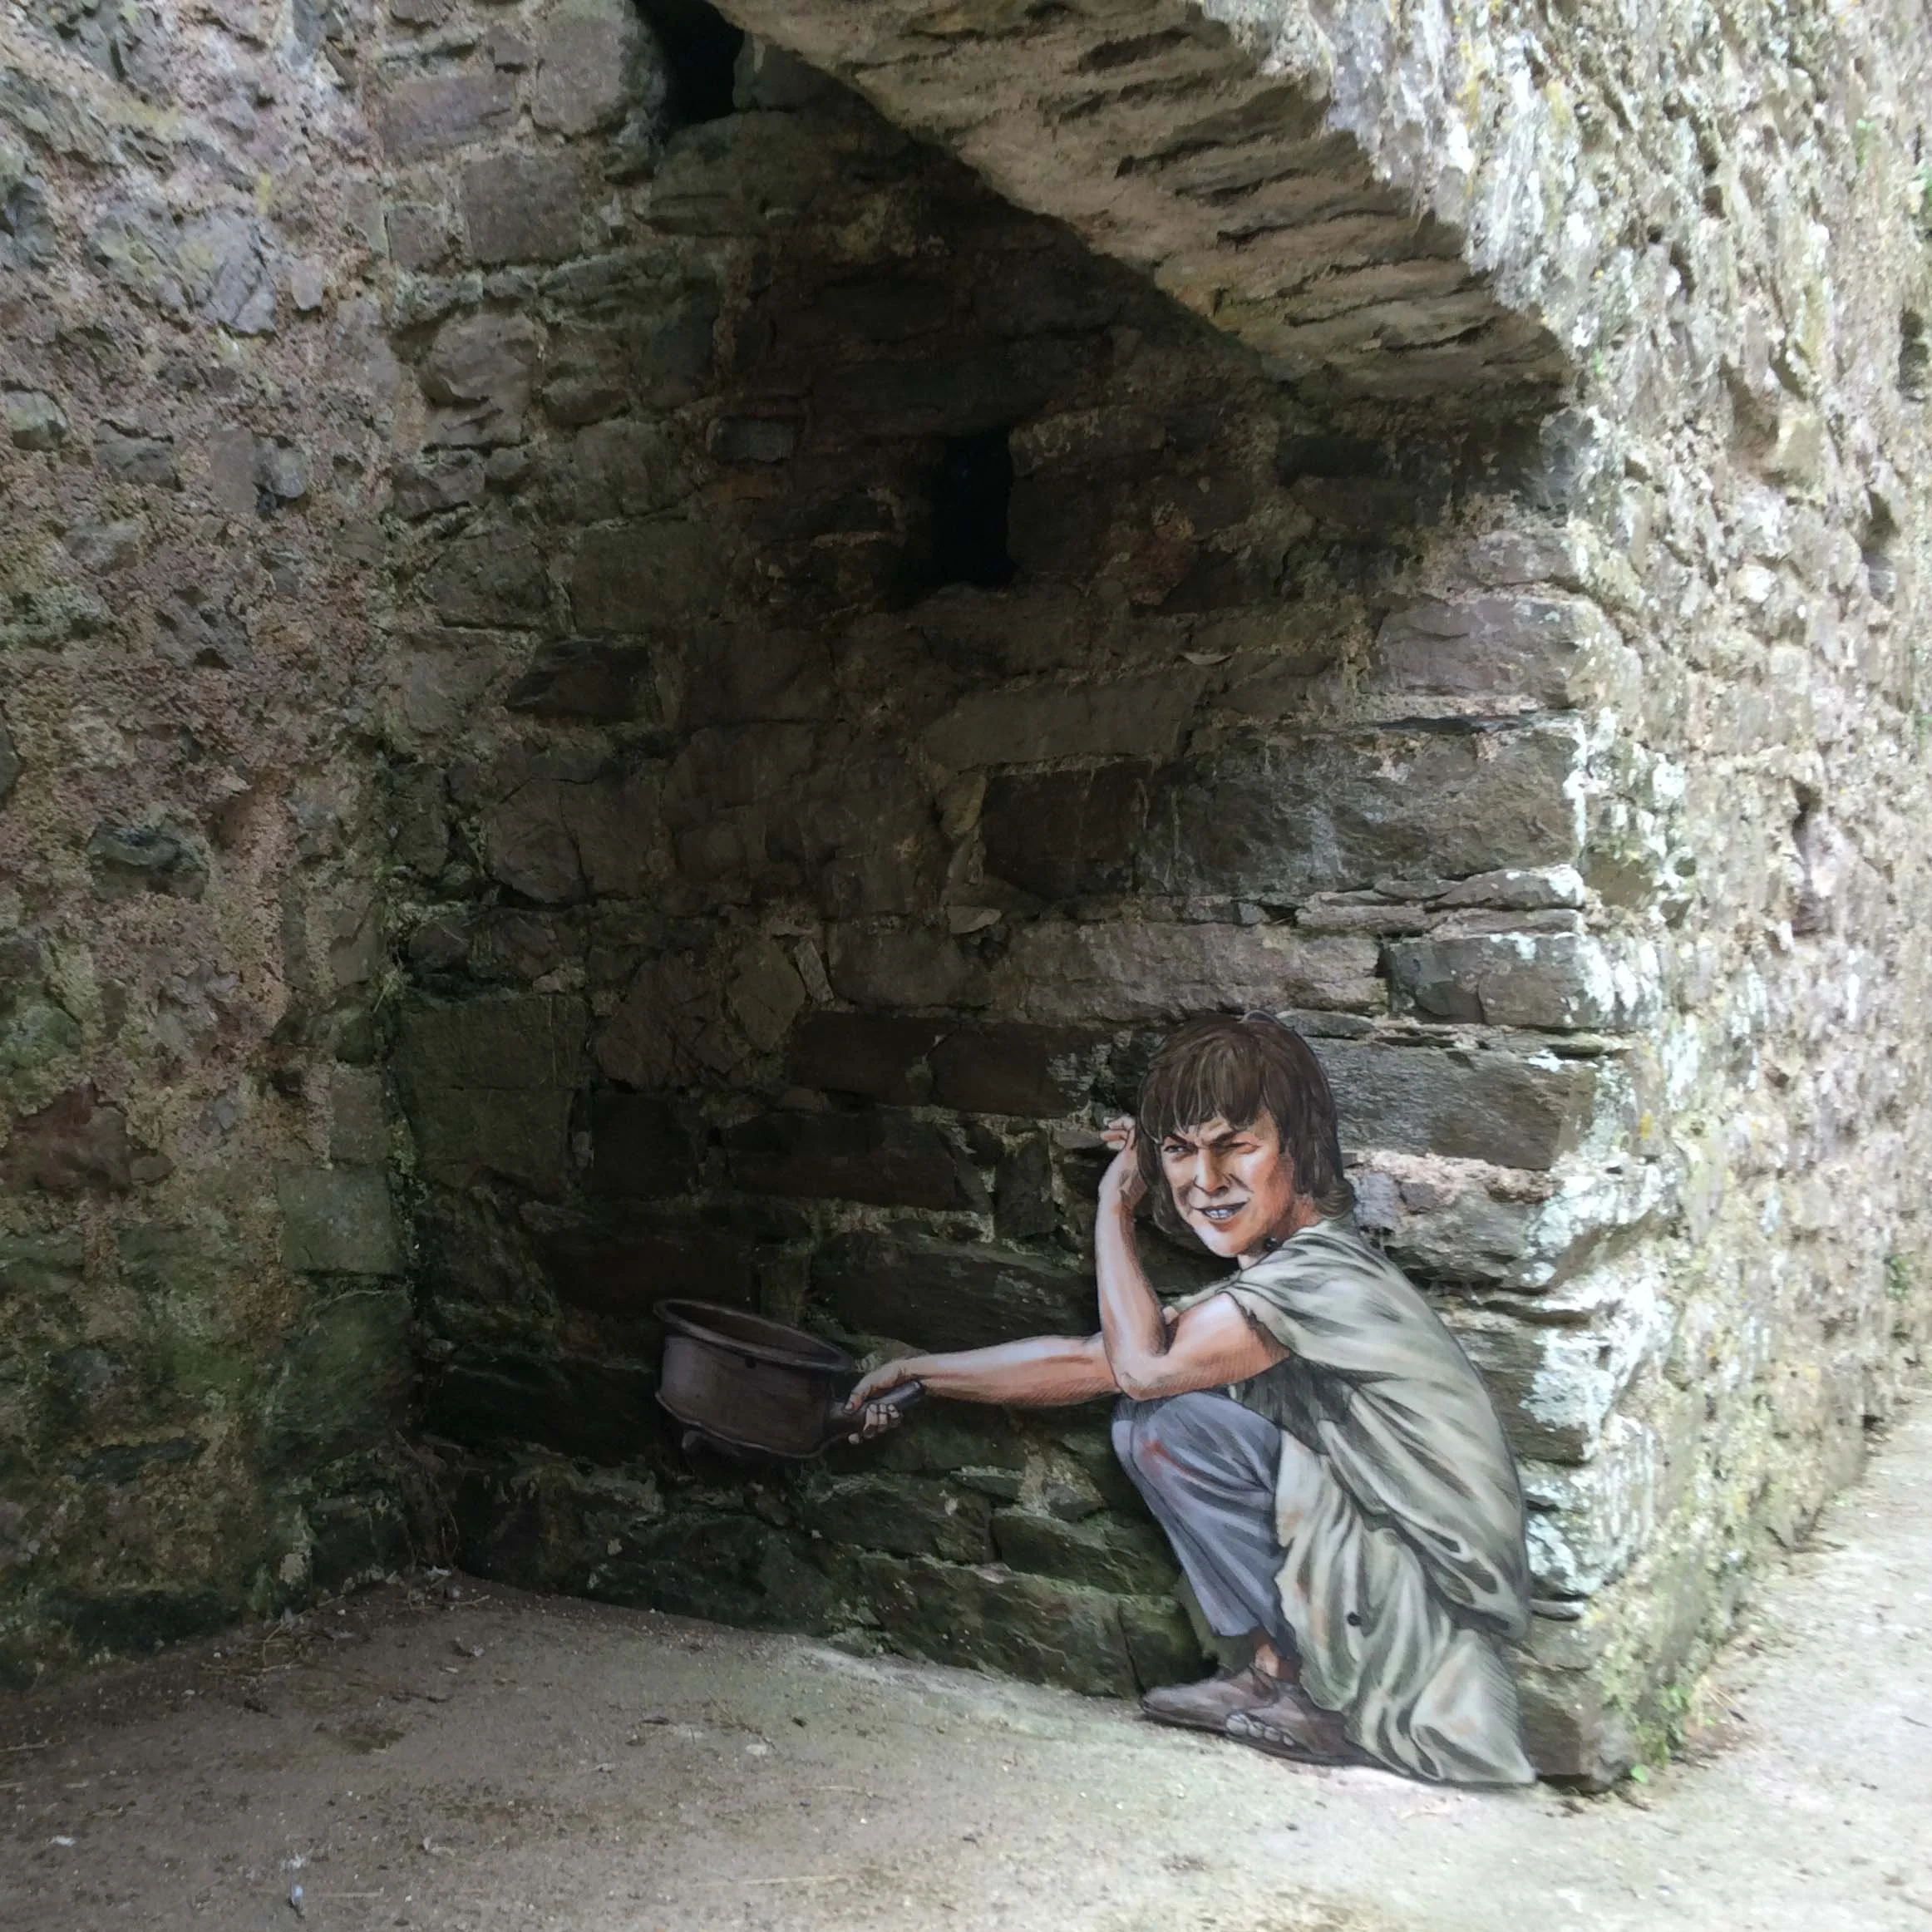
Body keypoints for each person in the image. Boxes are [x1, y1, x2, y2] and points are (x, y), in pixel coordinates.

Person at [842, 1012, 1535, 1786]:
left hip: (1428, 1600)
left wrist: (1115, 1205)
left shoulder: (1324, 1279)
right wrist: (924, 1374)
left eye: (1235, 1145)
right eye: (1177, 1151)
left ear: (1301, 1149)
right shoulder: (1283, 1276)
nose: (1204, 1181)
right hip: (1381, 1569)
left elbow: (1143, 1368)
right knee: (1163, 1424)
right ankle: (1278, 1673)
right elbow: (1100, 1361)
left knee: (1165, 1414)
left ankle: (1324, 1696)